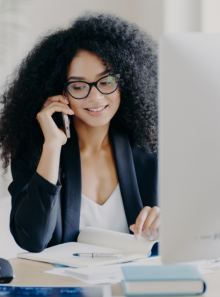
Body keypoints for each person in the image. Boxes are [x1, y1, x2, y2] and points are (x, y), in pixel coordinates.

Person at [0, 13, 159, 252]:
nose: (95, 97)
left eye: (106, 81)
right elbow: (32, 239)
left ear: (125, 81)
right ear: (60, 92)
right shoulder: (36, 153)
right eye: (78, 86)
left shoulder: (150, 148)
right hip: (65, 288)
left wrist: (163, 223)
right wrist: (53, 145)